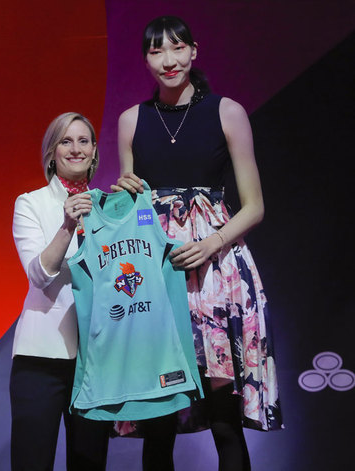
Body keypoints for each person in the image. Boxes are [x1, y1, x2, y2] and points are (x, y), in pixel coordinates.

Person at [112, 15, 283, 471]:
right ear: (147, 59)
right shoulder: (132, 120)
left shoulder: (227, 112)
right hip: (158, 274)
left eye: (176, 48)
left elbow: (254, 206)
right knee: (160, 420)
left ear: (193, 51)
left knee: (224, 419)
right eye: (156, 51)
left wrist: (211, 243)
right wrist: (120, 197)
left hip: (218, 274)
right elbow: (131, 210)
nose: (168, 61)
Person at [11, 112, 111, 470]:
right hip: (41, 357)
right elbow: (39, 275)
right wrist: (68, 225)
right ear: (51, 153)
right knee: (31, 462)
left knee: (89, 463)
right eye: (66, 141)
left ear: (94, 152)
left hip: (96, 358)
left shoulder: (108, 207)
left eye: (84, 141)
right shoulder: (30, 203)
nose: (75, 149)